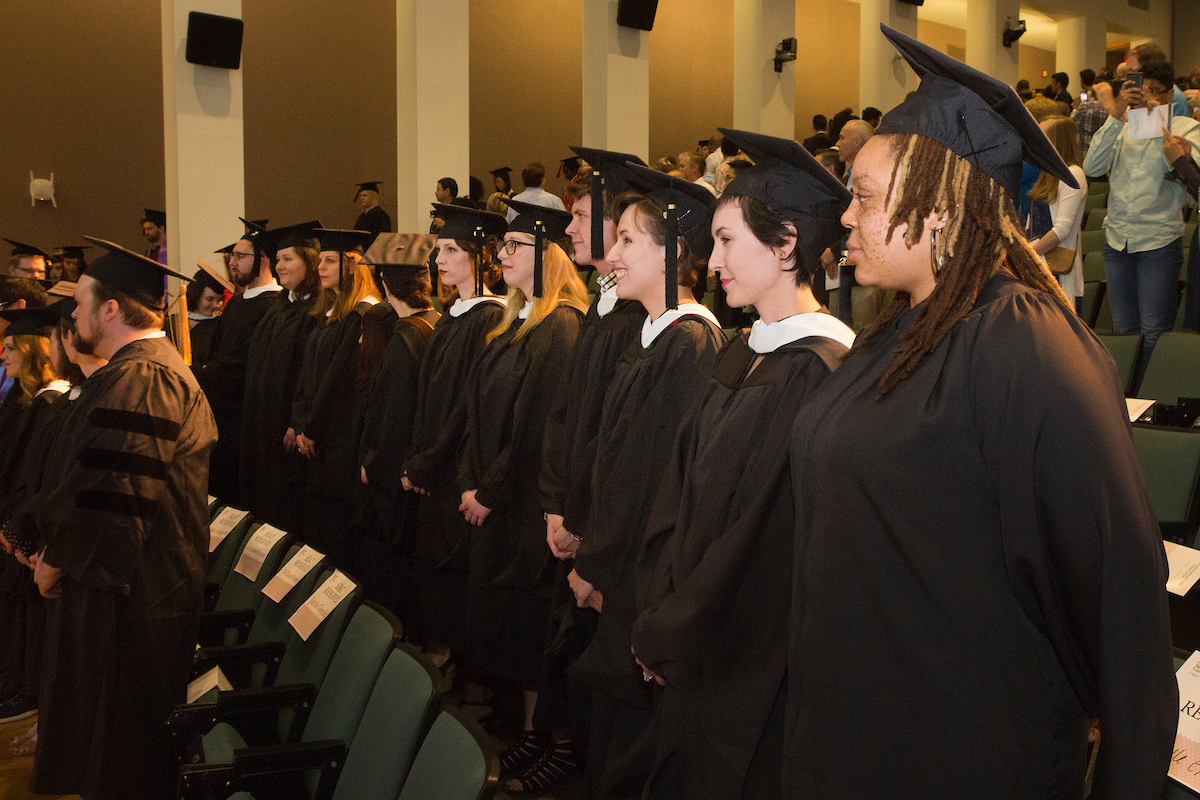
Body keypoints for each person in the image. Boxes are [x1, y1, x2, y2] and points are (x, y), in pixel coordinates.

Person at [786, 26, 1175, 798]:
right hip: (859, 737)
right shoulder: (893, 334)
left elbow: (1116, 594)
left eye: (862, 196)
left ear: (935, 209)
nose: (846, 218)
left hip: (967, 753)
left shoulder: (1026, 347)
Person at [629, 128, 855, 800]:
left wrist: (676, 627)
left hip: (745, 662)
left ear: (786, 244)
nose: (711, 255)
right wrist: (659, 607)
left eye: (727, 239)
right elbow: (677, 487)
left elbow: (759, 538)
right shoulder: (740, 350)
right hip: (689, 640)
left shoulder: (820, 370)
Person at [30, 236, 216, 800]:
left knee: (124, 764)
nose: (76, 314)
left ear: (111, 308)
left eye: (83, 303)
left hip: (134, 597)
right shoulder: (135, 371)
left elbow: (114, 492)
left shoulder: (145, 378)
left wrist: (58, 559)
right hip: (129, 590)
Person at [513, 148, 650, 794]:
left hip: (597, 530)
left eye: (584, 218)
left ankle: (571, 752)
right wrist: (552, 506)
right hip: (569, 515)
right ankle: (551, 738)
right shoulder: (604, 306)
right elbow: (567, 418)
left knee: (589, 652)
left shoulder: (635, 321)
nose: (569, 232)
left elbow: (610, 440)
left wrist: (579, 521)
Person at [458, 199, 587, 787]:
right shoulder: (515, 318)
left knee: (537, 632)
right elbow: (480, 409)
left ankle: (553, 743)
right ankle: (531, 735)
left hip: (528, 507)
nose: (502, 254)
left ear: (550, 256)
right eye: (503, 246)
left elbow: (536, 426)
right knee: (514, 630)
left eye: (516, 247)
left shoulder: (559, 324)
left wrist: (488, 489)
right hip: (501, 500)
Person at [402, 205, 508, 671]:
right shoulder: (453, 314)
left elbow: (468, 403)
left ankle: (464, 677)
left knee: (455, 578)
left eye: (451, 250)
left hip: (455, 470)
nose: (438, 259)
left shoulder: (489, 317)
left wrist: (433, 460)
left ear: (481, 258)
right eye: (438, 250)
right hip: (432, 464)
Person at [1083, 58, 1200, 385]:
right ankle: (1122, 406)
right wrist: (1117, 115)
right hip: (1117, 241)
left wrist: (1161, 126)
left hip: (1159, 244)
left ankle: (1143, 400)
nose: (1143, 97)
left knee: (1151, 335)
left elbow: (1195, 173)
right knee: (1123, 333)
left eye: (1152, 91)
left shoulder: (1183, 127)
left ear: (1167, 95)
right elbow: (1092, 167)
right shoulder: (1121, 126)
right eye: (1137, 89)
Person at [352, 233, 441, 609]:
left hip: (398, 478)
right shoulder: (437, 325)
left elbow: (391, 416)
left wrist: (372, 465)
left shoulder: (403, 342)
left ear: (385, 286)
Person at [0, 303, 69, 727]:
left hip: (33, 529)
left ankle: (28, 689)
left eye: (10, 348)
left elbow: (36, 477)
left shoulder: (52, 402)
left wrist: (18, 530)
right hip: (16, 522)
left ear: (31, 350)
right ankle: (16, 679)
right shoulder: (30, 402)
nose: (3, 356)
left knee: (29, 607)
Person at [292, 228, 379, 560]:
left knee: (334, 531)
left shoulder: (363, 314)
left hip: (339, 438)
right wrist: (300, 423)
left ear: (352, 266)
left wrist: (312, 428)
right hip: (316, 436)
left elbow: (337, 380)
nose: (321, 268)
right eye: (321, 261)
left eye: (330, 261)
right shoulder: (328, 313)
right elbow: (308, 372)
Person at [238, 222, 324, 534]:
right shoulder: (277, 308)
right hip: (262, 423)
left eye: (288, 259)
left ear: (309, 263)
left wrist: (297, 421)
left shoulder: (315, 313)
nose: (279, 266)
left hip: (288, 429)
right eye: (277, 259)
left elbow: (310, 375)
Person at [196, 220, 285, 504]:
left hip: (245, 414)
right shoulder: (236, 302)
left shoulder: (274, 306)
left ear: (262, 261)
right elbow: (217, 351)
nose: (231, 262)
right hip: (219, 412)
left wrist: (210, 373)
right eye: (232, 256)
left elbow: (245, 361)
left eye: (239, 256)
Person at [1029, 116, 1088, 307]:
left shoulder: (1073, 174)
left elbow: (1062, 230)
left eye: (1043, 136)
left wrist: (1028, 255)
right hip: (1040, 263)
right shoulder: (1046, 172)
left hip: (1057, 271)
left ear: (1057, 141)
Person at [185, 262, 230, 368]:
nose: (215, 305)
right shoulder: (174, 323)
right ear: (196, 296)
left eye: (219, 300)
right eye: (209, 299)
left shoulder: (220, 326)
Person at [1072, 68, 1109, 158]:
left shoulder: (1085, 106)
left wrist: (1075, 108)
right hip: (1100, 152)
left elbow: (1072, 123)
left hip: (1084, 149)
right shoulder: (1107, 108)